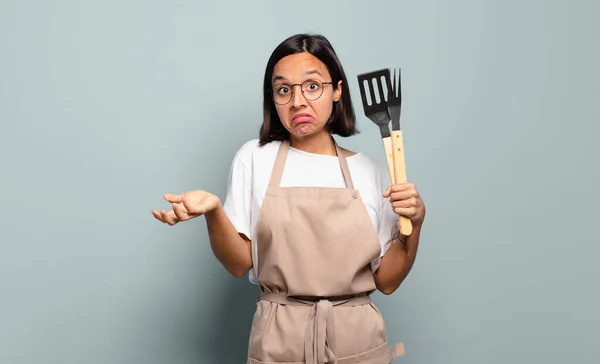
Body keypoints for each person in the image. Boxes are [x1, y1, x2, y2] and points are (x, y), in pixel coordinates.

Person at [152, 33, 426, 364]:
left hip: (356, 339)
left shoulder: (372, 172)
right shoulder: (253, 158)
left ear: (337, 90)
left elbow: (387, 280)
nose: (297, 101)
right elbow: (239, 262)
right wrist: (214, 211)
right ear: (273, 98)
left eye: (312, 86)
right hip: (278, 337)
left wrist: (416, 223)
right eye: (284, 89)